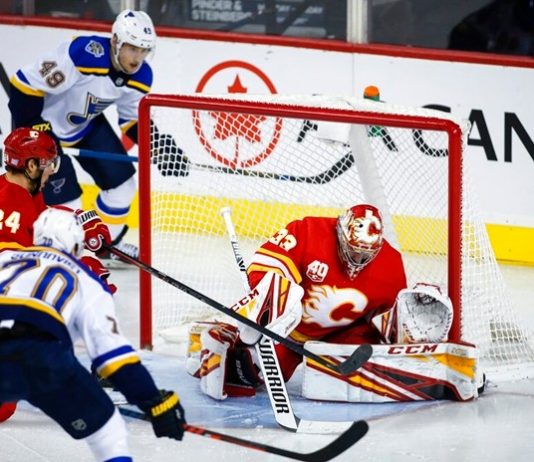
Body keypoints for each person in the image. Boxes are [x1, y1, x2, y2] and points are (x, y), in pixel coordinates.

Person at [0, 208, 186, 459]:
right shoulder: (86, 280)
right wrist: (152, 401)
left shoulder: (6, 255)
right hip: (42, 358)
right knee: (108, 433)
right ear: (77, 245)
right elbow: (114, 356)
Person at [8, 9, 188, 262]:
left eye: (143, 50)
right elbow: (23, 86)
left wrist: (157, 146)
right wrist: (37, 128)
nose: (138, 58)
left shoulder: (141, 75)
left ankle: (101, 246)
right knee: (69, 204)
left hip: (85, 127)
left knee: (122, 188)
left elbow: (132, 120)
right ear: (115, 41)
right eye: (132, 48)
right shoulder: (83, 54)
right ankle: (61, 255)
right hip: (43, 129)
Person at [187, 204, 407, 397]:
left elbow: (391, 318)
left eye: (364, 255)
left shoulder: (392, 265)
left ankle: (225, 346)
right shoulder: (309, 231)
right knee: (253, 372)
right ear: (340, 233)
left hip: (333, 335)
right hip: (287, 330)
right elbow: (267, 264)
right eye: (353, 251)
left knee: (363, 348)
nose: (357, 260)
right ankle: (226, 339)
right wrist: (269, 307)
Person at [0, 127, 113, 421]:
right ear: (31, 165)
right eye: (48, 163)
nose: (51, 170)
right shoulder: (13, 207)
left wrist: (80, 220)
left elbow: (41, 218)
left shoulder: (16, 191)